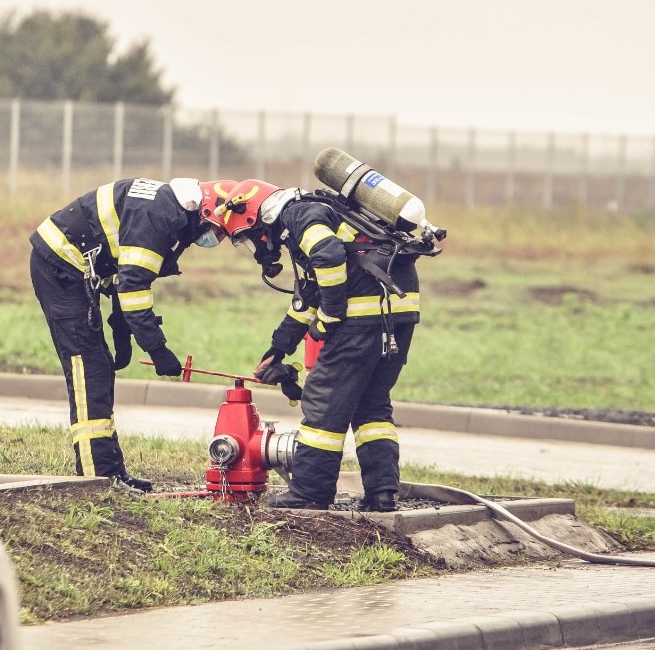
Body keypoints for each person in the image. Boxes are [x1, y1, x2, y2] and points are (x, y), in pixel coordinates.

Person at [205, 179, 422, 512]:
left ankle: (310, 491)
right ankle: (382, 493)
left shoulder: (300, 215)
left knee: (324, 402)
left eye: (249, 239)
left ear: (255, 217)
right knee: (372, 406)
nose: (257, 248)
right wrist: (278, 349)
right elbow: (307, 297)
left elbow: (329, 255)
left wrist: (331, 315)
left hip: (362, 318)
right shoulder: (317, 217)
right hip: (397, 314)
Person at [30, 176, 238, 491]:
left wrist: (121, 329)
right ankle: (95, 478)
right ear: (204, 210)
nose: (214, 239)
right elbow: (134, 286)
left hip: (80, 267)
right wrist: (158, 350)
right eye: (217, 230)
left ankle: (112, 471)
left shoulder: (166, 207)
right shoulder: (160, 216)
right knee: (88, 367)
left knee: (97, 365)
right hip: (61, 267)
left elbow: (119, 262)